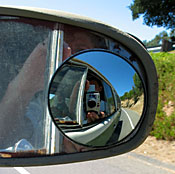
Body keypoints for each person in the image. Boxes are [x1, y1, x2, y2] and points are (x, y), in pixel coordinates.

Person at [0, 25, 107, 153]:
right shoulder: (44, 105)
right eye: (60, 51)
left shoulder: (104, 107)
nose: (68, 59)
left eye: (79, 51)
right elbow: (4, 137)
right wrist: (23, 86)